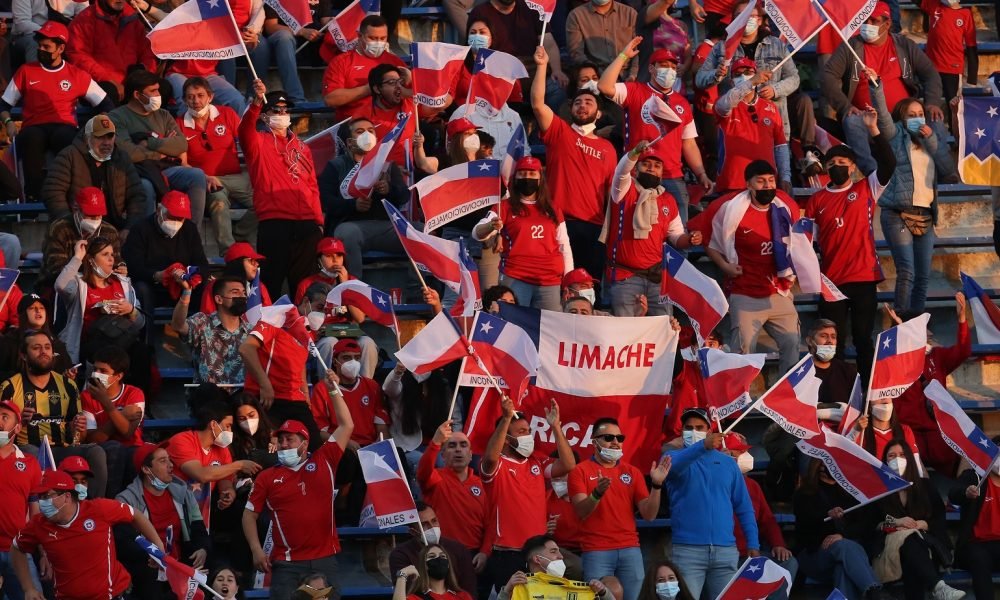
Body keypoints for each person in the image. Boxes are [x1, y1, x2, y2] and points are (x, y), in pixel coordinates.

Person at [805, 100, 896, 379]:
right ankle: (835, 391)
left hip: (863, 277)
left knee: (863, 340)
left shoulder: (866, 187)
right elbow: (806, 242)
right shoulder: (817, 199)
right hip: (831, 281)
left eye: (842, 163)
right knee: (833, 344)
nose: (836, 167)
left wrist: (873, 130)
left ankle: (867, 392)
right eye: (831, 164)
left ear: (853, 167)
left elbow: (889, 163)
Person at [822, 1, 949, 181]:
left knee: (935, 118)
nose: (868, 25)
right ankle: (875, 176)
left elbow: (930, 74)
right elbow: (828, 75)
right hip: (868, 117)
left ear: (887, 24)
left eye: (874, 21)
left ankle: (945, 174)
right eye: (865, 20)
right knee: (851, 122)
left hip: (903, 117)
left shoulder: (904, 45)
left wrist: (932, 102)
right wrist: (844, 106)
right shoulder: (852, 46)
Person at [695, 0, 818, 179]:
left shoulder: (777, 45)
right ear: (733, 20)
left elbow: (794, 78)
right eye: (740, 17)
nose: (746, 21)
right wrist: (716, 75)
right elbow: (699, 79)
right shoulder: (722, 47)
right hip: (736, 124)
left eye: (751, 16)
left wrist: (775, 90)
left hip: (774, 120)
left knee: (777, 175)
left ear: (760, 20)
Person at [244, 403, 354, 600]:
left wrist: (333, 392)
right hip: (287, 564)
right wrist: (256, 550)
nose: (284, 444)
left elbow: (347, 425)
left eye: (290, 439)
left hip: (324, 558)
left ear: (305, 443)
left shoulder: (325, 460)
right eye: (281, 440)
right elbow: (248, 515)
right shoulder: (267, 476)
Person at [700, 160, 801, 374]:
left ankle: (787, 402)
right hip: (745, 294)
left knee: (792, 344)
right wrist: (724, 266)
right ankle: (740, 404)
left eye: (771, 181)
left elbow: (800, 245)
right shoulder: (732, 210)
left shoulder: (785, 210)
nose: (767, 186)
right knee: (743, 355)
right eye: (761, 181)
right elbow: (710, 242)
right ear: (749, 184)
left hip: (778, 292)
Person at [599, 41, 712, 224]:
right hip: (638, 175)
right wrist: (623, 56)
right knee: (638, 232)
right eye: (664, 65)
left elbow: (689, 143)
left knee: (676, 237)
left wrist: (701, 174)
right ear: (652, 69)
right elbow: (604, 86)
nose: (669, 70)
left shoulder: (682, 103)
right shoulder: (635, 91)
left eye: (673, 66)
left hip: (672, 177)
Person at [0, 21, 112, 202]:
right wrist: (8, 122)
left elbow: (105, 104)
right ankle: (32, 197)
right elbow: (4, 105)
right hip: (33, 126)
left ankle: (70, 197)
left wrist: (99, 122)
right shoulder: (26, 71)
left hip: (63, 125)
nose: (40, 49)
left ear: (60, 48)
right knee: (32, 138)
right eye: (39, 45)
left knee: (67, 139)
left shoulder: (76, 74)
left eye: (46, 46)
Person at [532, 46, 616, 287]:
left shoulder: (608, 149)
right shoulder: (560, 132)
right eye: (577, 102)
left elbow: (612, 195)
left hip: (594, 227)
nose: (582, 105)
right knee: (558, 288)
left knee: (590, 291)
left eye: (589, 102)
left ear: (598, 114)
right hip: (558, 224)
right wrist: (541, 66)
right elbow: (538, 104)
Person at [10, 470, 165, 600]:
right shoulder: (39, 524)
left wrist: (158, 545)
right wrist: (28, 588)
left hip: (112, 596)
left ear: (67, 496)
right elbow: (17, 548)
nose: (42, 503)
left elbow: (134, 514)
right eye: (40, 497)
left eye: (47, 496)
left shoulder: (99, 509)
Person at [1, 329, 113, 498]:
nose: (43, 352)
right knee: (31, 454)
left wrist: (75, 427)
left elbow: (78, 437)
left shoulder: (68, 385)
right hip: (27, 449)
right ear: (24, 355)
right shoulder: (9, 387)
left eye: (47, 347)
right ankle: (38, 510)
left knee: (96, 452)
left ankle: (94, 509)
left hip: (62, 449)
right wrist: (20, 423)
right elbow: (1, 434)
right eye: (36, 348)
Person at [481, 396, 576, 592]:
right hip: (508, 554)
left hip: (538, 555)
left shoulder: (537, 461)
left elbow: (568, 464)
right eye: (522, 432)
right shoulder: (498, 465)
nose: (528, 436)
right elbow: (490, 458)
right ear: (507, 438)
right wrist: (506, 418)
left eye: (529, 432)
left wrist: (556, 426)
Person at [568, 417, 670, 600]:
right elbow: (581, 511)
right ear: (594, 441)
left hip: (630, 548)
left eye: (619, 438)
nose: (615, 442)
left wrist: (656, 485)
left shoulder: (632, 472)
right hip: (596, 550)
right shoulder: (580, 471)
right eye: (608, 437)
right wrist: (597, 493)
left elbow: (649, 515)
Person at [241, 79, 324, 299]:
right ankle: (270, 330)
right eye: (276, 110)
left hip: (306, 223)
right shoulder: (257, 141)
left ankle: (303, 329)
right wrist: (256, 104)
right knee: (271, 282)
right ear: (264, 115)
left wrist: (319, 222)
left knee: (304, 285)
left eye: (285, 109)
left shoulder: (302, 147)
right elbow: (244, 130)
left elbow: (312, 185)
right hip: (274, 221)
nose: (282, 113)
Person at [874, 95, 955, 317]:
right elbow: (882, 117)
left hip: (925, 212)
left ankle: (917, 322)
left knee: (923, 275)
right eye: (911, 115)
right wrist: (876, 86)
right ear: (901, 117)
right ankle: (900, 320)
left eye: (920, 114)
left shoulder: (931, 136)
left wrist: (930, 140)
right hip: (897, 213)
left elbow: (947, 167)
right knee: (907, 271)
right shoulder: (895, 134)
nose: (917, 119)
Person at [665, 408, 758, 599]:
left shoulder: (728, 463)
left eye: (699, 427)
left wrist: (753, 543)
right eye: (688, 427)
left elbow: (744, 506)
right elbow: (672, 467)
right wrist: (702, 447)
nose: (693, 431)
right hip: (687, 550)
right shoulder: (672, 458)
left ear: (709, 430)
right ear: (681, 431)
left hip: (725, 551)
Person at [603, 143, 701, 317]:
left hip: (656, 278)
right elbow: (621, 172)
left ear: (662, 173)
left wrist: (690, 238)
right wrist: (634, 153)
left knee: (664, 331)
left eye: (657, 166)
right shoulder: (624, 189)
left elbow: (676, 236)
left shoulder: (668, 199)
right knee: (626, 333)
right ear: (636, 169)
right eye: (646, 164)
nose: (651, 169)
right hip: (626, 277)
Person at [109, 69, 208, 231]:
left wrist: (150, 142)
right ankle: (147, 237)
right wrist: (164, 148)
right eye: (153, 91)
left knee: (196, 175)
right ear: (137, 94)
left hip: (165, 169)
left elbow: (181, 145)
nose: (158, 95)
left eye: (158, 90)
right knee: (146, 185)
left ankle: (191, 233)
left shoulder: (163, 115)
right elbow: (129, 153)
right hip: (136, 172)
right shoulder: (117, 117)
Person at [473, 157, 573, 312]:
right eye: (522, 173)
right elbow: (477, 233)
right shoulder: (504, 207)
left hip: (550, 280)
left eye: (532, 174)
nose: (527, 178)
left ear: (540, 178)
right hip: (516, 277)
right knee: (515, 324)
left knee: (549, 329)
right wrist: (490, 226)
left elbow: (564, 245)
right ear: (515, 177)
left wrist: (569, 279)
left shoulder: (553, 208)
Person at [115, 443, 211, 600]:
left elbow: (198, 527)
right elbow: (124, 541)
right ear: (146, 469)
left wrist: (203, 549)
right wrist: (149, 555)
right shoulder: (127, 499)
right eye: (162, 461)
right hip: (148, 566)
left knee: (212, 573)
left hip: (179, 564)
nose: (171, 465)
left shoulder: (183, 492)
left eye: (169, 460)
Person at [175, 77, 256, 255]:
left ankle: (241, 234)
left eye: (200, 95)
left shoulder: (227, 114)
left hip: (236, 177)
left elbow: (248, 142)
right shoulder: (179, 123)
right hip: (207, 180)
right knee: (218, 203)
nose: (195, 101)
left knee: (265, 200)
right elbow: (183, 163)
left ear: (210, 97)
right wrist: (203, 177)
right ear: (184, 100)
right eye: (190, 97)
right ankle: (229, 252)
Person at [871, 441, 961, 600]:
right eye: (891, 456)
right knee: (910, 541)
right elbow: (872, 522)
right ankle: (938, 587)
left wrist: (924, 524)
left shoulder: (925, 485)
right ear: (884, 461)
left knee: (912, 550)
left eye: (902, 455)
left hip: (924, 545)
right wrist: (897, 522)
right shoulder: (879, 489)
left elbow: (939, 517)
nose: (897, 459)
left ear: (910, 459)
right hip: (889, 548)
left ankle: (937, 587)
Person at [892, 294, 970, 476]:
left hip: (937, 430)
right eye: (923, 329)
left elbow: (963, 351)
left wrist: (961, 320)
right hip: (909, 432)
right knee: (910, 469)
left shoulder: (937, 356)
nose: (929, 335)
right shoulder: (892, 362)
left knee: (966, 454)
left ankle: (958, 497)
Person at [322, 118, 411, 277]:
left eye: (371, 131)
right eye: (360, 131)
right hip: (352, 227)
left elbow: (404, 196)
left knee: (420, 231)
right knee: (347, 233)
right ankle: (355, 290)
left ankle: (417, 291)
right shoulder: (335, 166)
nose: (367, 135)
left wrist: (388, 190)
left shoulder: (387, 166)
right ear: (349, 142)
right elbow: (326, 202)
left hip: (386, 228)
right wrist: (352, 205)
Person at [239, 285, 324, 449]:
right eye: (320, 308)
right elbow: (246, 349)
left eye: (326, 310)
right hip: (268, 398)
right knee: (268, 451)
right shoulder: (276, 318)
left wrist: (305, 393)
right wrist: (265, 385)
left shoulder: (307, 329)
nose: (323, 314)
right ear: (306, 301)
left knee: (314, 448)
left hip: (295, 399)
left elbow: (299, 362)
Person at [794, 459, 888, 600]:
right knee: (842, 545)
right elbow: (805, 525)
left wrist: (842, 534)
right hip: (813, 556)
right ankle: (874, 592)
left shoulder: (852, 492)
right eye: (824, 463)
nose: (827, 467)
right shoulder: (804, 493)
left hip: (847, 557)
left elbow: (866, 525)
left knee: (843, 566)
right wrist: (827, 515)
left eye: (831, 462)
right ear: (817, 466)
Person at [41, 114, 147, 234]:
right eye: (100, 137)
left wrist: (129, 228)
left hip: (114, 228)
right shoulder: (69, 155)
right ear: (87, 138)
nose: (107, 142)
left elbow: (137, 196)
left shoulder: (122, 158)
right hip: (78, 227)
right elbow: (53, 192)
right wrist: (69, 224)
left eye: (110, 137)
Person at [166, 399, 262, 528]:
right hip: (173, 509)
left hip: (201, 513)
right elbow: (201, 475)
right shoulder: (182, 440)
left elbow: (225, 481)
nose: (230, 431)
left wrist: (228, 494)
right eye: (227, 426)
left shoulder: (223, 450)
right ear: (213, 424)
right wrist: (239, 465)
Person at [721, 433, 797, 593]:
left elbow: (767, 519)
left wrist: (778, 544)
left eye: (745, 451)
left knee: (788, 563)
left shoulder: (752, 485)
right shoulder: (714, 486)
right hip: (725, 558)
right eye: (739, 452)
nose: (746, 456)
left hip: (751, 555)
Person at [55, 236, 145, 365]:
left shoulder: (123, 283)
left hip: (121, 341)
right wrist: (77, 257)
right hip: (89, 343)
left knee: (142, 351)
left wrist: (131, 310)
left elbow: (140, 324)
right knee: (104, 350)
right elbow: (60, 285)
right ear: (91, 260)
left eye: (112, 255)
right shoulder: (79, 283)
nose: (111, 259)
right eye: (105, 254)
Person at [122, 190, 210, 313]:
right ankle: (148, 331)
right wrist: (156, 275)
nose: (175, 222)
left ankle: (193, 330)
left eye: (180, 219)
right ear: (159, 211)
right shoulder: (140, 229)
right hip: (152, 286)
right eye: (171, 217)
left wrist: (189, 275)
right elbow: (133, 267)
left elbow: (201, 264)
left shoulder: (189, 229)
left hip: (181, 285)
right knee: (142, 289)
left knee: (204, 287)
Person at [713, 59, 791, 193]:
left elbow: (781, 146)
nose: (743, 76)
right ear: (731, 81)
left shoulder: (770, 107)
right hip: (732, 183)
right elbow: (724, 105)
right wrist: (751, 81)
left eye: (749, 72)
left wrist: (785, 177)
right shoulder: (726, 104)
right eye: (738, 74)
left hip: (765, 184)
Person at [416, 422, 486, 558]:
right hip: (442, 554)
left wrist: (485, 552)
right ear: (442, 455)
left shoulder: (483, 485)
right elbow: (422, 473)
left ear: (471, 455)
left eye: (463, 445)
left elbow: (490, 524)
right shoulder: (434, 478)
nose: (458, 450)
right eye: (452, 446)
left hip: (474, 556)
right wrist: (435, 442)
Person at [65, 0, 156, 103]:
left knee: (163, 88)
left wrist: (143, 70)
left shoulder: (132, 18)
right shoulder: (84, 20)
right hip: (102, 84)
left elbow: (147, 51)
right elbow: (78, 56)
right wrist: (108, 79)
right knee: (109, 92)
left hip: (133, 81)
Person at [80, 344, 143, 492]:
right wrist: (120, 414)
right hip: (105, 450)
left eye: (103, 371)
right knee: (114, 448)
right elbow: (92, 440)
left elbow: (127, 432)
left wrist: (107, 405)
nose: (96, 374)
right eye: (95, 369)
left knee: (136, 454)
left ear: (118, 376)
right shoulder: (86, 397)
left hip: (132, 447)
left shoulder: (134, 393)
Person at [172, 274, 252, 386]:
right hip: (208, 396)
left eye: (244, 293)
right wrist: (186, 292)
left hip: (241, 396)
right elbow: (178, 326)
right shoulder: (202, 322)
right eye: (235, 292)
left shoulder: (252, 331)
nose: (242, 296)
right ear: (219, 299)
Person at [322, 15, 407, 119]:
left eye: (382, 38)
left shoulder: (396, 62)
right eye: (372, 38)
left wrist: (410, 80)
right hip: (355, 125)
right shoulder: (341, 62)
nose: (378, 42)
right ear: (359, 36)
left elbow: (412, 97)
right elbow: (330, 100)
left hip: (391, 123)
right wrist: (369, 88)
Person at [309, 339, 388, 448]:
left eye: (357, 358)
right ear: (335, 361)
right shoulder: (322, 388)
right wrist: (345, 443)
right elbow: (320, 432)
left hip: (369, 447)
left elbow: (381, 425)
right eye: (346, 358)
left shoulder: (371, 385)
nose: (353, 362)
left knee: (399, 454)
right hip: (339, 447)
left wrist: (381, 447)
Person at [39, 187, 121, 291]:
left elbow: (116, 263)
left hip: (100, 284)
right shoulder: (59, 228)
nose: (96, 219)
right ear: (75, 208)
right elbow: (56, 269)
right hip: (58, 285)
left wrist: (120, 268)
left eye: (99, 214)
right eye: (90, 215)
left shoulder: (110, 231)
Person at [0, 399, 42, 600]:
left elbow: (36, 514)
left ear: (17, 427)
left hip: (17, 549)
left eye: (4, 417)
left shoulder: (30, 464)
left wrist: (43, 552)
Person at [950, 435, 1000, 600]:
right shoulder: (974, 477)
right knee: (979, 559)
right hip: (975, 544)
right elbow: (953, 494)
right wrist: (966, 492)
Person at [388, 502, 478, 595]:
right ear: (413, 532)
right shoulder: (400, 555)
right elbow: (406, 592)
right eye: (424, 525)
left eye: (434, 521)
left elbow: (469, 589)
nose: (432, 527)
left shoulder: (458, 549)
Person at [497, 534, 613, 600]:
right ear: (538, 559)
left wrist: (603, 592)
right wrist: (507, 590)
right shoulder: (519, 587)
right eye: (554, 552)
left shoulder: (573, 588)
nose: (561, 556)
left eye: (559, 551)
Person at [356, 63, 417, 168]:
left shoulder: (410, 103)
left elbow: (436, 101)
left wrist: (411, 79)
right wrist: (388, 170)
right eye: (392, 82)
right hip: (380, 176)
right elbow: (360, 158)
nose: (398, 87)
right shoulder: (362, 117)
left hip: (410, 174)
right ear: (377, 89)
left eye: (400, 82)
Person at [0, 294, 73, 382]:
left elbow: (65, 372)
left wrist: (68, 377)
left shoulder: (57, 344)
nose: (38, 311)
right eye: (32, 308)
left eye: (42, 308)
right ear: (23, 314)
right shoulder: (9, 342)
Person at [922, 0, 978, 106]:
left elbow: (971, 44)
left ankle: (953, 123)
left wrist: (972, 76)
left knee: (953, 106)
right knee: (930, 104)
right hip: (932, 67)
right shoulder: (934, 5)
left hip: (953, 69)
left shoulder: (965, 14)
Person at [565, 0, 638, 78]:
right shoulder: (576, 16)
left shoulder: (630, 13)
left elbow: (638, 49)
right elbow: (576, 54)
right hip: (596, 77)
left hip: (626, 75)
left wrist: (632, 75)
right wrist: (597, 74)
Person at [393, 543, 473, 600]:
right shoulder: (415, 598)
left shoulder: (463, 596)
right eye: (432, 556)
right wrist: (402, 576)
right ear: (424, 565)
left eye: (442, 556)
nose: (438, 559)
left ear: (448, 564)